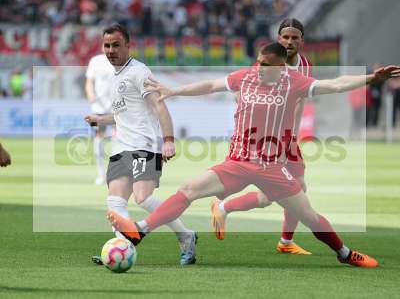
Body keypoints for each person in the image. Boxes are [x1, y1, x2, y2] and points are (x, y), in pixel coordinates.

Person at [106, 42, 399, 268]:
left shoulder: (293, 82)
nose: (259, 68)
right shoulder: (245, 77)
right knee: (189, 190)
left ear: (281, 66)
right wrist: (174, 91)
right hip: (237, 162)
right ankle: (139, 232)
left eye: (266, 65)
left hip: (272, 166)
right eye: (258, 62)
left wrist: (371, 78)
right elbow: (210, 85)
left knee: (308, 215)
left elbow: (335, 84)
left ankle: (345, 254)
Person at [85, 24, 197, 265]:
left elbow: (160, 105)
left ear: (128, 45)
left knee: (143, 198)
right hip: (121, 147)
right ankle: (121, 249)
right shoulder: (115, 77)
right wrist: (101, 119)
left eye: (116, 45)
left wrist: (168, 140)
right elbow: (123, 115)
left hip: (144, 145)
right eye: (107, 45)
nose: (111, 50)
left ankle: (186, 235)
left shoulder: (139, 72)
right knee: (115, 202)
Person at [210, 18, 313, 255]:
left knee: (298, 187)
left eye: (294, 37)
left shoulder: (305, 65)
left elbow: (299, 102)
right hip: (262, 141)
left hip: (286, 140)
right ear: (278, 39)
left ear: (301, 41)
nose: (289, 41)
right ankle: (224, 206)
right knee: (272, 194)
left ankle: (285, 242)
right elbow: (242, 92)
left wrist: (293, 137)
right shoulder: (266, 62)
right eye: (285, 37)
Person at [85, 52, 115, 185]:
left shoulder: (123, 60)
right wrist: (91, 95)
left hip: (118, 107)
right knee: (98, 138)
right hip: (98, 108)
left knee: (118, 138)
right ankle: (100, 173)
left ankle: (114, 173)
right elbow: (89, 82)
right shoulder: (95, 60)